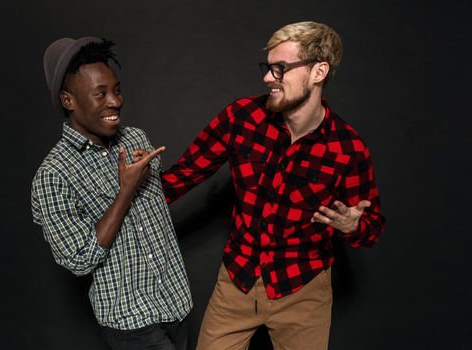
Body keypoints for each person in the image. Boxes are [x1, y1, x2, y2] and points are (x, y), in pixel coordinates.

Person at [161, 21, 385, 349]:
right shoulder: (241, 118)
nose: (268, 78)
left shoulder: (348, 149)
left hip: (303, 291)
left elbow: (372, 227)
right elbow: (181, 176)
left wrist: (352, 226)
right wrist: (121, 198)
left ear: (318, 72)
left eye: (280, 68)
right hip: (238, 280)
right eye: (268, 68)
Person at [31, 36, 192, 350]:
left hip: (177, 303)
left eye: (116, 90)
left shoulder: (135, 138)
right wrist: (126, 190)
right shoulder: (53, 175)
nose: (115, 101)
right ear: (69, 101)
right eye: (99, 94)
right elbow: (79, 260)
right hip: (132, 324)